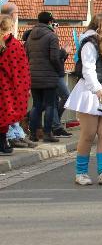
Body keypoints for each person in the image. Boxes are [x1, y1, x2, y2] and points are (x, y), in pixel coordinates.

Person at [65, 14, 102, 185]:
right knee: (88, 134)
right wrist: (97, 89)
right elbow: (88, 69)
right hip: (91, 93)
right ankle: (81, 173)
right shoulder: (89, 43)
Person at [25, 11, 63, 143]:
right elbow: (54, 57)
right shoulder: (51, 36)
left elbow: (27, 56)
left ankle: (33, 134)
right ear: (50, 21)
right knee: (49, 105)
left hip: (33, 76)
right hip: (48, 76)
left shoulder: (30, 36)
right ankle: (47, 133)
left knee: (36, 105)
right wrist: (59, 71)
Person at [0, 14, 31, 155]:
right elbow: (20, 68)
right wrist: (24, 88)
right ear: (12, 26)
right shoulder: (13, 44)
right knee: (5, 114)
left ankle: (3, 143)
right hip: (7, 86)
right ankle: (2, 144)